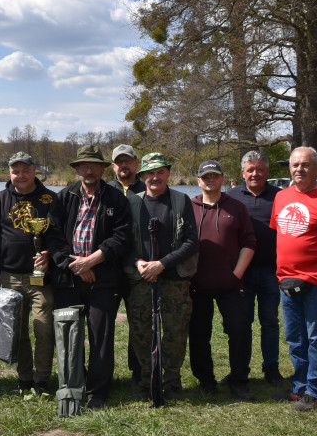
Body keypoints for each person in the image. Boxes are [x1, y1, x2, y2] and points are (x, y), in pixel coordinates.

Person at [47, 145, 132, 409]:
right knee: (69, 335)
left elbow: (122, 236)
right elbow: (53, 236)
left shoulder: (116, 199)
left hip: (103, 279)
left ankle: (98, 391)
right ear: (77, 169)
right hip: (68, 279)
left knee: (100, 336)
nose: (89, 170)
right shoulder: (63, 197)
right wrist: (76, 265)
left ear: (103, 169)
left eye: (94, 165)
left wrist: (92, 261)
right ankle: (74, 385)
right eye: (84, 165)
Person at [124, 153, 199, 399]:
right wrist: (140, 263)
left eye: (160, 172)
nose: (155, 177)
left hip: (175, 280)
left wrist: (162, 264)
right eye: (150, 173)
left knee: (176, 333)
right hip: (142, 279)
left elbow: (191, 241)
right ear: (142, 176)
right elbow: (123, 242)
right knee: (140, 332)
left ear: (167, 173)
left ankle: (172, 382)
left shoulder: (180, 200)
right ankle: (147, 381)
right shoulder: (132, 203)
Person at [0, 151, 56, 397]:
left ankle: (42, 379)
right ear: (10, 173)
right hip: (9, 277)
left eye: (25, 170)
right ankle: (24, 378)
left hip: (41, 278)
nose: (20, 175)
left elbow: (60, 236)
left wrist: (50, 255)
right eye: (16, 171)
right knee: (17, 331)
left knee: (44, 329)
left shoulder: (50, 198)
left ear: (34, 170)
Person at [270, 146, 317, 411]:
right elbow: (281, 234)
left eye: (306, 165)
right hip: (286, 281)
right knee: (295, 338)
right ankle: (299, 387)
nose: (300, 169)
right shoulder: (281, 197)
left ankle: (315, 391)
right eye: (295, 165)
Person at [189, 160, 256, 400]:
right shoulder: (189, 207)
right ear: (199, 180)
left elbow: (249, 242)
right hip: (196, 285)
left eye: (214, 175)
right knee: (198, 334)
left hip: (230, 285)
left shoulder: (236, 207)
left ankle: (239, 380)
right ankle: (205, 380)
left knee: (239, 330)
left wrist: (236, 274)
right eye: (205, 176)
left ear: (222, 179)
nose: (210, 180)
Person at [226, 151, 287, 387]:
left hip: (271, 270)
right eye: (250, 170)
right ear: (242, 172)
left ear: (268, 172)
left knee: (269, 320)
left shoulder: (280, 196)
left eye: (260, 169)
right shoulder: (231, 197)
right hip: (242, 272)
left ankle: (271, 368)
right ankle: (240, 369)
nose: (255, 174)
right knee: (243, 322)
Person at [107, 144, 146, 387]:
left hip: (138, 269)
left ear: (136, 163)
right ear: (113, 166)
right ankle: (104, 374)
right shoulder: (104, 190)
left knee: (139, 324)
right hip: (109, 268)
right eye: (119, 161)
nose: (124, 165)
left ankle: (138, 372)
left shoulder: (148, 189)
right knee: (104, 325)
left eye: (128, 161)